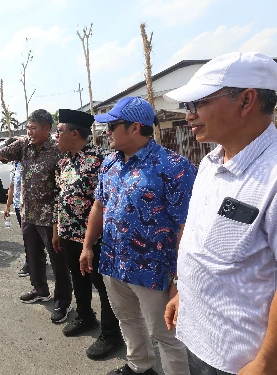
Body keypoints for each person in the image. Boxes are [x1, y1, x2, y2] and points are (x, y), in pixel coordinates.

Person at [162, 52, 277, 375]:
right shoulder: (211, 163)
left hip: (245, 361)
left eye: (198, 104)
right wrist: (185, 294)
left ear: (246, 100)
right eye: (187, 107)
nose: (189, 115)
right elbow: (204, 246)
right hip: (203, 342)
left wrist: (269, 363)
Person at [80, 97, 197, 375]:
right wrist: (87, 247)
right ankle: (140, 366)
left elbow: (187, 227)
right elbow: (99, 205)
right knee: (127, 319)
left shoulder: (173, 167)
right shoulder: (110, 163)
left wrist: (180, 279)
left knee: (166, 334)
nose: (107, 131)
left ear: (135, 128)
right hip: (114, 261)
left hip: (154, 269)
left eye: (112, 125)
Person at [0, 109, 73, 324]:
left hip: (50, 217)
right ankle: (40, 290)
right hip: (28, 213)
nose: (30, 132)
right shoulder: (23, 146)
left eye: (34, 128)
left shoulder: (58, 150)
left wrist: (59, 219)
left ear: (47, 128)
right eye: (28, 128)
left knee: (57, 260)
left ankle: (63, 301)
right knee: (33, 256)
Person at [53, 109, 123, 360]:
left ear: (74, 133)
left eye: (59, 131)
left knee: (104, 288)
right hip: (69, 234)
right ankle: (85, 316)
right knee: (78, 279)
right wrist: (56, 229)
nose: (55, 136)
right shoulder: (63, 162)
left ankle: (111, 334)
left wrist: (92, 242)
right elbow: (59, 198)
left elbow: (110, 203)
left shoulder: (102, 159)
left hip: (95, 239)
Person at [3, 138, 28, 277]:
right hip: (19, 206)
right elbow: (12, 187)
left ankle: (31, 263)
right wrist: (8, 207)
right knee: (27, 236)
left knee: (31, 237)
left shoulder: (28, 163)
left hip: (31, 207)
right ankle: (33, 259)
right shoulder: (15, 165)